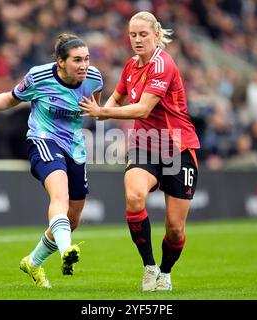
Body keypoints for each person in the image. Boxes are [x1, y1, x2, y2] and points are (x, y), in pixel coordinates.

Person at [0, 33, 103, 288]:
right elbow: (12, 98)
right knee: (60, 196)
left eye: (87, 59)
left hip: (75, 148)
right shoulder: (39, 76)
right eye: (77, 60)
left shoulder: (94, 79)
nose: (84, 65)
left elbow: (96, 110)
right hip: (43, 141)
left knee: (73, 218)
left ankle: (33, 262)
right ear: (60, 62)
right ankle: (66, 250)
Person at [79, 11, 200, 291]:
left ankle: (165, 272)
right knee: (134, 197)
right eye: (132, 34)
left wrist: (104, 111)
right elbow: (117, 96)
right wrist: (100, 111)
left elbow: (144, 108)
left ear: (156, 35)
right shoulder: (131, 66)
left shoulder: (163, 64)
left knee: (175, 228)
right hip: (144, 145)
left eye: (143, 34)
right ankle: (149, 267)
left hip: (178, 148)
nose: (136, 39)